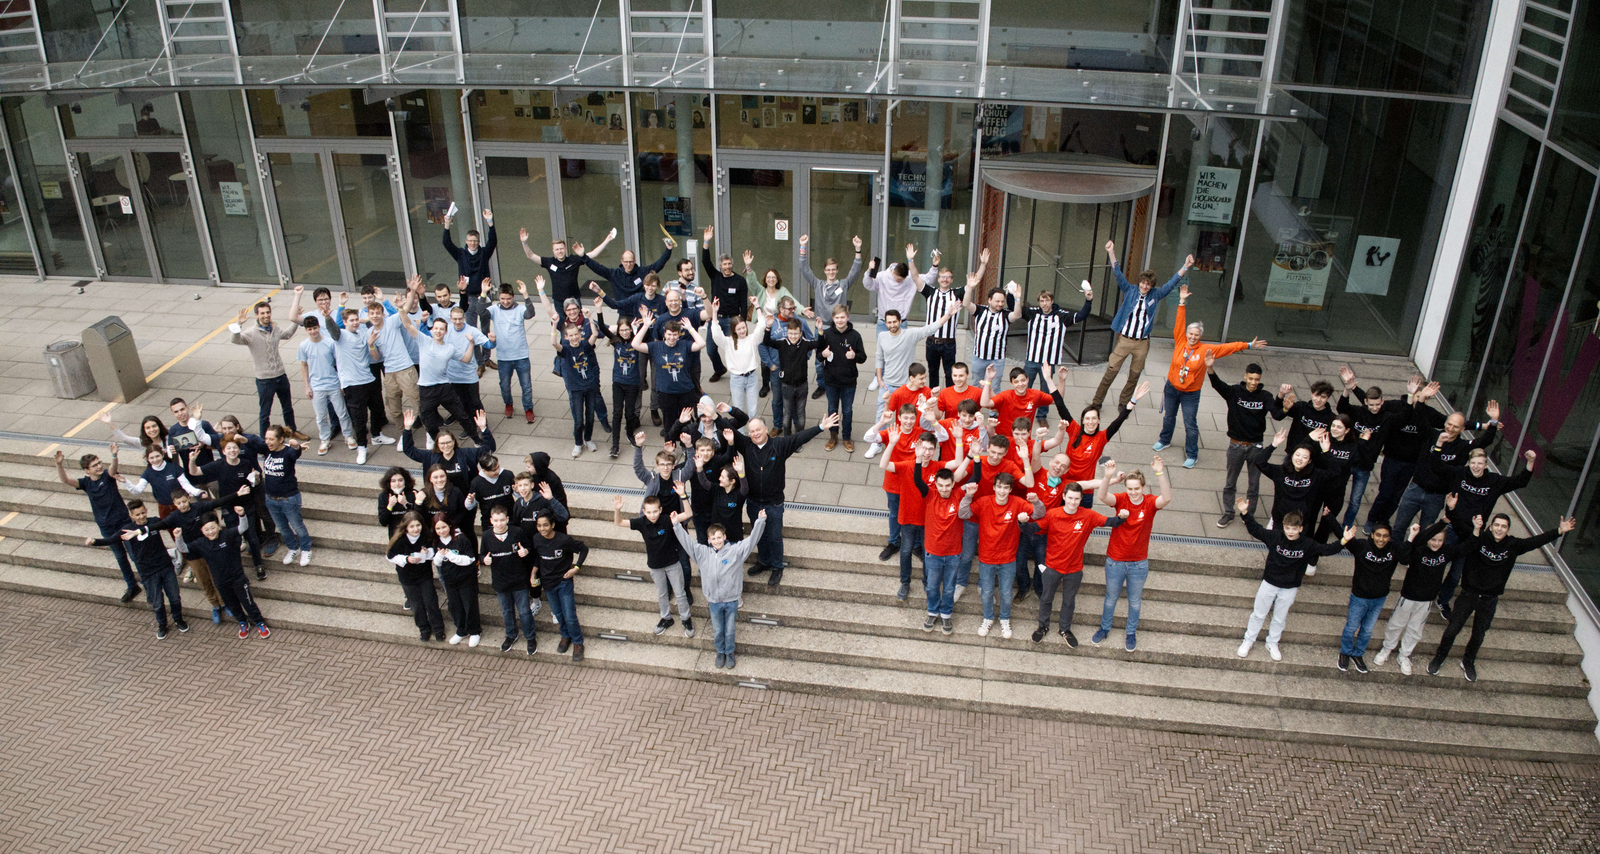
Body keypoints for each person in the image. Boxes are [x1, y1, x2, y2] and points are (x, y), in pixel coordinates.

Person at [1429, 504, 1571, 681]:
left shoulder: (1513, 545)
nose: (1499, 529)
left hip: (1489, 600)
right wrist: (1451, 510)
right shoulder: (1477, 539)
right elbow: (1458, 526)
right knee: (1452, 630)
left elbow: (1535, 541)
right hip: (1468, 595)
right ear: (1491, 526)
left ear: (1508, 529)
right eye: (1497, 525)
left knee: (1479, 635)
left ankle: (1468, 662)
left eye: (1504, 526)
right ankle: (1439, 657)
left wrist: (1558, 531)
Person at [1154, 286, 1262, 467]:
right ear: (1186, 334)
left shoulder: (1206, 350)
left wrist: (1248, 345)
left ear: (1200, 336)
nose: (1193, 337)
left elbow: (1228, 347)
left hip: (1190, 393)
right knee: (1169, 417)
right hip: (1172, 388)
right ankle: (1165, 440)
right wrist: (1181, 302)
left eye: (1196, 335)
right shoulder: (1180, 340)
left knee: (1190, 424)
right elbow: (1179, 322)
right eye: (1190, 334)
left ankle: (1192, 454)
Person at [729, 413, 839, 585]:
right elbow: (726, 428)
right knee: (758, 535)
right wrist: (715, 414)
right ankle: (764, 562)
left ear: (766, 429)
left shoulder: (779, 445)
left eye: (758, 429)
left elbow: (799, 438)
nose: (755, 433)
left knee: (774, 536)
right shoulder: (746, 445)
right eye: (752, 431)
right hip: (753, 502)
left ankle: (777, 567)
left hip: (774, 503)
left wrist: (820, 427)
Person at [1024, 466, 1124, 647]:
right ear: (1064, 497)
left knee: (1069, 601)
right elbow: (1032, 529)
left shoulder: (1088, 515)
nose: (1073, 502)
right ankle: (1042, 626)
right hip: (1052, 566)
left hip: (1074, 569)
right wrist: (1022, 522)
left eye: (1077, 499)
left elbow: (1111, 522)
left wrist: (1122, 516)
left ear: (1081, 499)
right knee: (1046, 598)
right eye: (1070, 498)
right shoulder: (1053, 514)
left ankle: (1064, 629)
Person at [1236, 500, 1347, 661]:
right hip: (1269, 583)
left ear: (1300, 529)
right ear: (1284, 526)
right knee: (1258, 614)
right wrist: (1245, 513)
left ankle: (1272, 643)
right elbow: (1256, 530)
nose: (1290, 532)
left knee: (1280, 618)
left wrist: (1344, 541)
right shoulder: (1275, 536)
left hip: (1289, 587)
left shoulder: (1307, 544)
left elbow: (1327, 550)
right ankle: (1248, 640)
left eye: (1294, 529)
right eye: (1288, 528)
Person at [1434, 448, 1537, 617]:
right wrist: (1438, 445)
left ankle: (1443, 600)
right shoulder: (1460, 473)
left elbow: (1520, 481)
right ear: (1469, 463)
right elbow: (1437, 466)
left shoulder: (1494, 481)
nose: (1476, 467)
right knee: (1437, 562)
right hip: (1453, 527)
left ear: (1486, 465)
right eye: (1473, 463)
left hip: (1473, 534)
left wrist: (1530, 463)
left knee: (1456, 573)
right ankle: (1427, 594)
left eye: (1480, 463)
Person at [1091, 241, 1191, 410]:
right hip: (1125, 340)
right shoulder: (1130, 290)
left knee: (1134, 375)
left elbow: (1171, 284)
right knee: (1111, 371)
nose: (1145, 286)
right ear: (1140, 282)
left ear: (1151, 285)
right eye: (1143, 283)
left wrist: (1185, 266)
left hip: (1142, 342)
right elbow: (1118, 273)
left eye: (1148, 284)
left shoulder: (1155, 295)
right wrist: (1111, 252)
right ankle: (1097, 401)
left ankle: (1124, 402)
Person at [674, 511, 768, 669]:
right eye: (713, 538)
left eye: (719, 537)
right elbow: (688, 543)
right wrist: (676, 525)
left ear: (724, 537)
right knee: (718, 630)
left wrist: (760, 522)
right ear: (709, 540)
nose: (717, 541)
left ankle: (730, 652)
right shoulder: (702, 553)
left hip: (731, 600)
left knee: (730, 630)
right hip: (714, 601)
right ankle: (720, 651)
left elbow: (752, 541)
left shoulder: (736, 552)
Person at [879, 428, 964, 602]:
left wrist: (959, 439)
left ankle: (927, 581)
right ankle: (905, 582)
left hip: (929, 521)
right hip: (908, 517)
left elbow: (958, 461)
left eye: (931, 449)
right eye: (924, 448)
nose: (927, 452)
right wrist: (892, 443)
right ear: (918, 447)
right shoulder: (907, 465)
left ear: (935, 450)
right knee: (906, 550)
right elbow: (884, 465)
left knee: (927, 552)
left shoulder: (938, 467)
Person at [869, 302, 963, 457]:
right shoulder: (882, 336)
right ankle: (877, 443)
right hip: (888, 385)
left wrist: (948, 314)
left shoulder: (910, 335)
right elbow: (879, 357)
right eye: (889, 322)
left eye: (894, 321)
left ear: (900, 321)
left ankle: (912, 443)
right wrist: (879, 379)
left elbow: (930, 328)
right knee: (882, 414)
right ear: (885, 323)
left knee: (911, 417)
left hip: (907, 386)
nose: (892, 325)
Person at [1097, 457, 1172, 650]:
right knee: (1110, 598)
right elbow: (1103, 497)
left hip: (1138, 562)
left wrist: (1160, 472)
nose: (1133, 492)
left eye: (1136, 488)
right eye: (1129, 488)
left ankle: (1130, 633)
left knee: (1135, 601)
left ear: (1143, 488)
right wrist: (1107, 477)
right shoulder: (1121, 499)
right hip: (1115, 560)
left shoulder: (1149, 503)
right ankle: (1105, 628)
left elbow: (1167, 498)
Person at [1043, 367, 1144, 509]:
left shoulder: (1102, 437)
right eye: (1087, 419)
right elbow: (1060, 405)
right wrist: (1050, 379)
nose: (1090, 422)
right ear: (1083, 420)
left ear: (1099, 421)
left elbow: (1119, 420)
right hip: (1064, 485)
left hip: (1086, 490)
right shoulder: (1074, 430)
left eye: (1094, 419)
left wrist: (1133, 401)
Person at [85, 499, 189, 639]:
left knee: (175, 598)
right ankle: (162, 625)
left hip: (165, 566)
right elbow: (111, 540)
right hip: (148, 572)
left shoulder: (153, 522)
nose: (141, 517)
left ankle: (178, 620)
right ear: (132, 516)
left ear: (146, 510)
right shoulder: (127, 530)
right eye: (137, 515)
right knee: (157, 603)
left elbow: (168, 523)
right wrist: (95, 542)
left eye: (142, 513)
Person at [1336, 367, 1417, 528]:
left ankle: (1346, 526)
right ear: (1366, 402)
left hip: (1365, 465)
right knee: (1336, 494)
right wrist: (1348, 389)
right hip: (1348, 460)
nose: (1374, 408)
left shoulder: (1387, 418)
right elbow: (1342, 408)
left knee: (1355, 500)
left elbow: (1405, 417)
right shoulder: (1360, 412)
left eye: (1378, 404)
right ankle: (1330, 522)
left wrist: (1411, 395)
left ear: (1382, 401)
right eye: (1371, 404)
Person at [1373, 521, 1458, 675]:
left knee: (1415, 629)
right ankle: (1387, 648)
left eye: (1440, 540)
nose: (1436, 543)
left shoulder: (1446, 551)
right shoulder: (1417, 549)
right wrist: (1413, 536)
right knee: (1396, 624)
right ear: (1426, 538)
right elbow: (1404, 558)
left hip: (1426, 600)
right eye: (1433, 539)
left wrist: (1476, 529)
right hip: (1409, 596)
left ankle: (1404, 655)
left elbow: (1468, 546)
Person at [958, 473, 1036, 639]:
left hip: (1008, 559)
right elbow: (963, 514)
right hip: (986, 559)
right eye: (999, 487)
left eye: (1006, 487)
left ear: (1010, 489)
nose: (1002, 491)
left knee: (1006, 593)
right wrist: (968, 496)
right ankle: (987, 618)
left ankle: (1005, 619)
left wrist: (1035, 503)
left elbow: (1039, 513)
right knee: (986, 592)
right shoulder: (984, 502)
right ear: (994, 487)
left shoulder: (1017, 503)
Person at [56, 446, 138, 601]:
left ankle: (148, 583)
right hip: (106, 526)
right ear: (87, 470)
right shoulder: (86, 483)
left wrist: (114, 456)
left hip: (123, 522)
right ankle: (132, 585)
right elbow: (65, 480)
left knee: (134, 554)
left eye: (99, 463)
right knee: (120, 557)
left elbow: (113, 469)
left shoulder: (107, 476)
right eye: (94, 465)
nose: (99, 466)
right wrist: (59, 464)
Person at [398, 294, 479, 444]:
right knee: (427, 419)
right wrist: (401, 309)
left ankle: (476, 439)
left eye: (441, 329)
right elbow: (408, 325)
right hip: (426, 389)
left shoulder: (450, 348)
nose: (438, 331)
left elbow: (466, 359)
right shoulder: (424, 340)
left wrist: (472, 344)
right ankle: (437, 441)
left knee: (461, 415)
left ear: (445, 331)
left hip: (444, 387)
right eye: (436, 328)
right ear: (432, 329)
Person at [1337, 522, 1415, 673]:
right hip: (1359, 597)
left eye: (1385, 536)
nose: (1381, 539)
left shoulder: (1394, 549)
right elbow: (1345, 537)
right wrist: (1329, 517)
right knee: (1352, 627)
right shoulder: (1362, 546)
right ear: (1372, 535)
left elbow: (1405, 558)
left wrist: (1411, 537)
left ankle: (1358, 654)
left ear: (1390, 538)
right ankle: (1345, 652)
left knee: (1367, 630)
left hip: (1379, 599)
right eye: (1378, 535)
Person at [187, 435, 268, 577]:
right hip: (228, 507)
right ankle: (236, 568)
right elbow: (194, 472)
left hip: (246, 506)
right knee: (232, 539)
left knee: (252, 537)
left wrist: (255, 478)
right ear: (223, 451)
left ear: (239, 449)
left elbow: (254, 482)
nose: (232, 451)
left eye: (235, 448)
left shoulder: (246, 463)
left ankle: (258, 565)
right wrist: (192, 460)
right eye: (228, 448)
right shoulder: (219, 465)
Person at [616, 495, 696, 637]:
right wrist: (617, 510)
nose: (652, 515)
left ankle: (686, 618)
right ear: (644, 512)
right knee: (662, 593)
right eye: (648, 512)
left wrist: (683, 497)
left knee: (680, 593)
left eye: (655, 511)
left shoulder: (666, 519)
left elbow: (688, 514)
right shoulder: (641, 523)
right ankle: (666, 618)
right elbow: (619, 522)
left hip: (672, 563)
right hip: (655, 566)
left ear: (660, 510)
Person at [230, 287, 306, 437]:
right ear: (257, 315)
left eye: (268, 312)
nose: (266, 315)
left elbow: (288, 334)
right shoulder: (251, 333)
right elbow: (235, 340)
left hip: (280, 375)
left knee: (287, 407)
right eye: (262, 313)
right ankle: (264, 438)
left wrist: (297, 319)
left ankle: (292, 430)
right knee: (265, 412)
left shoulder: (275, 328)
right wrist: (238, 326)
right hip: (264, 379)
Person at [1209, 358, 1276, 527]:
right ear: (1245, 376)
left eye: (1257, 379)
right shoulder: (1235, 392)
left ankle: (1249, 516)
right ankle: (1228, 512)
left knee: (1254, 484)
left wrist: (1282, 399)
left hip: (1256, 447)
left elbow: (1277, 413)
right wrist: (1210, 368)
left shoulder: (1265, 396)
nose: (1253, 383)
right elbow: (1217, 384)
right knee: (1230, 481)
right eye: (1251, 378)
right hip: (1236, 445)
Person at [185, 515, 269, 640]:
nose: (211, 532)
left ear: (218, 526)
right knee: (232, 604)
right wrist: (177, 537)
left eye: (213, 528)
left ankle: (259, 623)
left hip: (237, 578)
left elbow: (243, 527)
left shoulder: (227, 535)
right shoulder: (201, 543)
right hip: (220, 581)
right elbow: (183, 548)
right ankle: (242, 622)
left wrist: (242, 515)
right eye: (206, 530)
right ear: (202, 531)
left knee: (248, 602)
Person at [799, 233, 863, 392]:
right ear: (825, 271)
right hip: (822, 328)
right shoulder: (818, 284)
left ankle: (838, 384)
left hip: (839, 328)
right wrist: (802, 247)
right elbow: (804, 269)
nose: (831, 272)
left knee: (839, 358)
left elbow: (855, 270)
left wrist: (858, 249)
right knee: (819, 361)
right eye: (828, 270)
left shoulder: (843, 284)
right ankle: (822, 385)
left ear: (837, 270)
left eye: (834, 269)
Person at [917, 249, 987, 388]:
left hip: (949, 343)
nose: (945, 279)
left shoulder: (957, 293)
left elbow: (973, 282)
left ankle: (950, 398)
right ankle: (934, 398)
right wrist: (911, 260)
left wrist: (983, 264)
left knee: (950, 373)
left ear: (952, 279)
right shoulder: (930, 292)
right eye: (942, 276)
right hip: (932, 341)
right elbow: (915, 277)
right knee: (933, 372)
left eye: (948, 277)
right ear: (938, 279)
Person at [633, 317, 707, 440]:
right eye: (669, 334)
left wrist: (690, 328)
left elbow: (701, 344)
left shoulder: (684, 345)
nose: (672, 337)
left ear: (679, 335)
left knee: (686, 421)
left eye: (675, 334)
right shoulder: (656, 346)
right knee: (669, 422)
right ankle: (669, 444)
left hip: (685, 390)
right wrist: (645, 326)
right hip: (666, 392)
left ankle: (685, 445)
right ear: (664, 333)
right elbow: (635, 344)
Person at [529, 513, 589, 661]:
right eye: (539, 525)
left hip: (564, 582)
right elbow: (538, 557)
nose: (542, 528)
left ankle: (578, 642)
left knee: (569, 615)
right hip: (547, 583)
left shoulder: (564, 540)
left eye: (545, 525)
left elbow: (584, 549)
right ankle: (565, 635)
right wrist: (533, 573)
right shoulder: (536, 539)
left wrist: (576, 568)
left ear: (552, 525)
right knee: (558, 613)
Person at [481, 505, 538, 655]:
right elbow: (482, 555)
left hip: (519, 579)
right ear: (491, 521)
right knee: (507, 611)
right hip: (500, 582)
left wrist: (525, 551)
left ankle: (530, 637)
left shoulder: (517, 532)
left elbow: (529, 548)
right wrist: (484, 560)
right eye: (496, 520)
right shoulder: (486, 536)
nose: (499, 523)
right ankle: (511, 635)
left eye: (502, 520)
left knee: (524, 611)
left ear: (507, 519)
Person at [296, 316, 356, 456]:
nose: (313, 332)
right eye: (310, 329)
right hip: (317, 386)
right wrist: (307, 386)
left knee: (342, 413)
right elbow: (304, 366)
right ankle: (325, 439)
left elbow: (338, 363)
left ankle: (348, 436)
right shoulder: (304, 346)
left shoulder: (330, 343)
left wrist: (342, 382)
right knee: (321, 416)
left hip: (333, 383)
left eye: (315, 328)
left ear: (319, 327)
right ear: (306, 330)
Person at [366, 296, 421, 446]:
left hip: (405, 369)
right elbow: (376, 357)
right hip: (389, 373)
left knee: (417, 400)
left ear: (382, 314)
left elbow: (407, 311)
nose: (375, 316)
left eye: (378, 313)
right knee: (393, 407)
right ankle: (404, 432)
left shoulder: (391, 321)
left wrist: (401, 305)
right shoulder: (370, 332)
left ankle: (430, 432)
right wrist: (371, 345)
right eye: (372, 313)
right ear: (368, 315)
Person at [256, 425, 314, 567]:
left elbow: (295, 453)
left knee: (297, 526)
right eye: (266, 438)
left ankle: (306, 549)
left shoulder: (287, 452)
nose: (268, 442)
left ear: (281, 439)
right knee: (282, 527)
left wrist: (296, 446)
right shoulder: (267, 451)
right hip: (271, 498)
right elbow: (252, 444)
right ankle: (293, 547)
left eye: (271, 439)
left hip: (288, 498)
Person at [441, 208, 496, 357]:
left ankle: (486, 358)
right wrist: (447, 224)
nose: (472, 243)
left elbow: (493, 241)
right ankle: (478, 362)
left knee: (485, 328)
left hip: (484, 296)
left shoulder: (484, 253)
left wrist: (490, 223)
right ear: (466, 241)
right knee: (472, 330)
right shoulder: (460, 254)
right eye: (470, 241)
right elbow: (446, 243)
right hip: (469, 298)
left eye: (475, 241)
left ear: (479, 242)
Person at [700, 226, 752, 383]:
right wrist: (706, 242)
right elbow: (705, 261)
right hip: (716, 319)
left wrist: (741, 320)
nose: (727, 267)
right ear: (720, 265)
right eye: (724, 264)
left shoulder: (739, 281)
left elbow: (743, 302)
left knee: (735, 348)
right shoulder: (715, 276)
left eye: (729, 264)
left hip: (732, 320)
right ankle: (719, 369)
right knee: (710, 349)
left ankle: (739, 372)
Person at [554, 311, 609, 458]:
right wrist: (554, 325)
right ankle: (578, 443)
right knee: (579, 420)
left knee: (590, 416)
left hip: (590, 385)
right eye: (570, 335)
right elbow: (554, 343)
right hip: (576, 388)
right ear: (566, 337)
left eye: (576, 334)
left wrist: (590, 317)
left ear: (579, 334)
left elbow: (595, 334)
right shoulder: (565, 350)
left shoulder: (585, 345)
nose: (574, 337)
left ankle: (588, 439)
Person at [1020, 276, 1089, 389]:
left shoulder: (1061, 316)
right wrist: (1014, 296)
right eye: (1042, 301)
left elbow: (1082, 315)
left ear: (1052, 301)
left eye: (1047, 300)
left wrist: (1088, 300)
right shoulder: (1033, 313)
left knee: (1045, 395)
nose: (1044, 304)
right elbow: (1015, 309)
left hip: (1048, 362)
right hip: (1031, 360)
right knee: (1024, 389)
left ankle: (1042, 408)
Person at [401, 409, 494, 492]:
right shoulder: (430, 456)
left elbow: (489, 449)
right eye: (442, 443)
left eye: (448, 442)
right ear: (437, 444)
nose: (446, 446)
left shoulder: (467, 454)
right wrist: (407, 429)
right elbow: (409, 450)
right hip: (439, 499)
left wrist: (484, 429)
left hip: (464, 498)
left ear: (454, 442)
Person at [388, 511, 446, 643]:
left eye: (418, 525)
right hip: (408, 578)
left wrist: (427, 553)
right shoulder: (400, 540)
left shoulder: (426, 536)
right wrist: (407, 559)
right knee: (417, 605)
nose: (416, 529)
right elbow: (390, 556)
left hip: (424, 575)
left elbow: (433, 551)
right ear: (406, 527)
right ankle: (424, 629)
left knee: (431, 602)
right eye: (412, 526)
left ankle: (438, 629)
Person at [709, 295, 769, 423]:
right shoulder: (728, 342)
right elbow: (716, 333)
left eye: (743, 327)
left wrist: (757, 306)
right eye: (739, 329)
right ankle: (739, 438)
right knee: (738, 411)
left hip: (752, 377)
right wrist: (714, 312)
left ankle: (754, 437)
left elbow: (762, 325)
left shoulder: (752, 339)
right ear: (734, 330)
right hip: (736, 379)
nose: (742, 330)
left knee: (753, 412)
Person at [919, 468, 964, 634]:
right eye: (940, 485)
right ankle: (932, 611)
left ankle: (946, 613)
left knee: (950, 588)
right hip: (933, 553)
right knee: (931, 586)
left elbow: (977, 477)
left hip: (953, 553)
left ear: (953, 484)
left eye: (947, 485)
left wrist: (974, 457)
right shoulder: (930, 495)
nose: (944, 489)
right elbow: (917, 480)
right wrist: (917, 460)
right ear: (935, 485)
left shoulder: (959, 494)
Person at [488, 280, 540, 424]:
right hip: (503, 357)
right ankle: (508, 404)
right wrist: (482, 294)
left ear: (513, 297)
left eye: (508, 299)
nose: (505, 301)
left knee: (526, 386)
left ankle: (528, 408)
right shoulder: (494, 309)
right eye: (503, 298)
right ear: (499, 297)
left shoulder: (519, 309)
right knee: (504, 385)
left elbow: (530, 313)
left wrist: (526, 295)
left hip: (521, 355)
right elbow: (481, 311)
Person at [331, 308, 379, 464]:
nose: (355, 322)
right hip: (352, 383)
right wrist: (327, 315)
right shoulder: (341, 336)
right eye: (351, 320)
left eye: (356, 319)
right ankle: (362, 447)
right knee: (359, 418)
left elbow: (376, 356)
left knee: (378, 408)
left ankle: (377, 436)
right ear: (344, 322)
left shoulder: (364, 333)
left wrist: (371, 344)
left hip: (368, 378)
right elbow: (332, 329)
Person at [599, 308, 649, 458]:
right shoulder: (616, 343)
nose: (625, 332)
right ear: (619, 331)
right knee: (616, 413)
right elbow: (602, 328)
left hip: (633, 384)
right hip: (618, 383)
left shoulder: (635, 343)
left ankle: (629, 433)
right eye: (622, 330)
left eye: (627, 329)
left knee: (629, 413)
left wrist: (640, 326)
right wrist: (599, 310)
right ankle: (615, 445)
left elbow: (642, 336)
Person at [818, 304, 867, 451]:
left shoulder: (855, 336)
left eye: (842, 317)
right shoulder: (826, 334)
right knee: (832, 409)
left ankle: (847, 437)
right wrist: (823, 354)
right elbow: (819, 356)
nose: (840, 320)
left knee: (847, 411)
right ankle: (833, 436)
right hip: (831, 381)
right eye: (837, 317)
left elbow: (863, 357)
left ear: (848, 317)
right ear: (833, 318)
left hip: (849, 381)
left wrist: (855, 356)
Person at [963, 278, 1023, 396]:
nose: (1000, 304)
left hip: (997, 358)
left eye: (1002, 301)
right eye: (997, 301)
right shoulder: (980, 310)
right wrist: (969, 288)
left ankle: (993, 413)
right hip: (979, 356)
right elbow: (966, 304)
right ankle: (975, 410)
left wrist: (1017, 299)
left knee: (995, 387)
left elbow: (1016, 315)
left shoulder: (1005, 315)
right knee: (976, 385)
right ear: (989, 300)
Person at [578, 227, 672, 302]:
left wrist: (668, 250)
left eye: (631, 262)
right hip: (623, 311)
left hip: (640, 310)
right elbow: (597, 268)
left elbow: (659, 264)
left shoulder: (643, 272)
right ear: (622, 262)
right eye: (626, 262)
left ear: (634, 261)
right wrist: (583, 256)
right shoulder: (614, 274)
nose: (628, 264)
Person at [430, 513, 481, 646]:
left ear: (450, 525)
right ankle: (461, 630)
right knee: (455, 606)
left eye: (444, 527)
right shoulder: (437, 542)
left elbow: (470, 559)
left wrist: (452, 556)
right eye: (438, 529)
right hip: (450, 581)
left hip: (466, 580)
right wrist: (440, 557)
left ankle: (474, 631)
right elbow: (438, 563)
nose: (442, 531)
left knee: (469, 605)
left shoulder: (461, 539)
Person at [768, 318, 820, 436]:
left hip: (802, 385)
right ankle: (787, 438)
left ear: (800, 333)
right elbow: (767, 341)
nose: (793, 336)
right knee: (787, 414)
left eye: (796, 333)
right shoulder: (782, 343)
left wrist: (820, 330)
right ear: (787, 333)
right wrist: (768, 327)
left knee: (801, 413)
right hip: (787, 386)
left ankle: (798, 438)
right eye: (790, 333)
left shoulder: (805, 344)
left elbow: (819, 343)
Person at [522, 231, 590, 305]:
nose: (559, 251)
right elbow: (530, 255)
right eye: (557, 249)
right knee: (560, 317)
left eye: (561, 249)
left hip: (574, 299)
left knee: (577, 317)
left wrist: (605, 241)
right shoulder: (549, 262)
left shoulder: (574, 260)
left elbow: (593, 254)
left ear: (565, 249)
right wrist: (524, 243)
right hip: (558, 301)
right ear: (553, 251)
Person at [377, 466, 424, 536]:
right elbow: (383, 522)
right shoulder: (384, 496)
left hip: (413, 533)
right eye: (393, 481)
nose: (397, 484)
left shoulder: (413, 493)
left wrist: (406, 504)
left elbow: (419, 517)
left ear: (405, 481)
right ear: (388, 483)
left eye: (400, 480)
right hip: (395, 535)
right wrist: (389, 507)